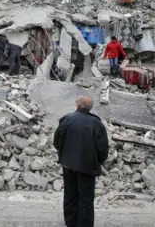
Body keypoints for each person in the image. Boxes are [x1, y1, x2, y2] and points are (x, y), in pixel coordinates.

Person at [53, 96, 109, 227]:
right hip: (87, 167)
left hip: (68, 164)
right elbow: (102, 148)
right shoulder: (96, 124)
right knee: (86, 198)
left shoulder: (67, 119)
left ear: (78, 105)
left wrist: (64, 154)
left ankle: (71, 222)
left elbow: (57, 141)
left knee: (70, 194)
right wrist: (99, 161)